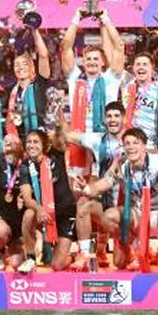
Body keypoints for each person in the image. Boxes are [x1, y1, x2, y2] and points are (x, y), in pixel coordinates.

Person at [83, 127, 158, 272]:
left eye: (135, 143)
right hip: (138, 215)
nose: (131, 147)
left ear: (144, 146)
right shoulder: (122, 167)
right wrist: (86, 189)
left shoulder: (157, 162)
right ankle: (135, 251)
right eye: (127, 143)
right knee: (109, 217)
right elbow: (104, 184)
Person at [63, 101, 127, 271]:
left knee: (121, 263)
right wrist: (57, 116)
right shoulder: (98, 139)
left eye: (116, 116)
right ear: (105, 119)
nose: (112, 120)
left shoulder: (133, 142)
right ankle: (85, 254)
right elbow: (67, 136)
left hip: (126, 208)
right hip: (105, 203)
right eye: (109, 116)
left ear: (124, 118)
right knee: (84, 204)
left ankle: (128, 246)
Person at [61, 9, 124, 178]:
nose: (92, 62)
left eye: (96, 59)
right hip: (78, 138)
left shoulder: (110, 78)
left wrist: (105, 18)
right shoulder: (75, 78)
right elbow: (65, 47)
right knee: (81, 191)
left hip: (105, 140)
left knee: (105, 187)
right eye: (88, 59)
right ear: (83, 61)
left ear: (103, 62)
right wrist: (76, 19)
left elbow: (119, 47)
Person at [18, 128, 76, 273]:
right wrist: (39, 208)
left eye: (36, 142)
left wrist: (56, 121)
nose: (32, 145)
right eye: (29, 142)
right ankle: (31, 258)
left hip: (64, 214)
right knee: (29, 214)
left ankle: (72, 256)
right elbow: (27, 198)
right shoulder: (25, 166)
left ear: (44, 145)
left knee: (57, 265)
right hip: (44, 213)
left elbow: (59, 135)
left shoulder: (55, 155)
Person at [0, 133, 26, 270]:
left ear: (21, 145)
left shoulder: (27, 163)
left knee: (16, 264)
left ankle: (26, 249)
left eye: (13, 139)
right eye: (5, 139)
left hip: (23, 221)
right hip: (3, 217)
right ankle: (0, 250)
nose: (8, 140)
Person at [121, 52, 158, 153]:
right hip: (129, 144)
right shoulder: (126, 89)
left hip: (151, 146)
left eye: (145, 64)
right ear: (133, 68)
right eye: (138, 64)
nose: (141, 67)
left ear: (152, 68)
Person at [6, 29, 53, 142]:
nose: (20, 67)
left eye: (24, 64)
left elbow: (43, 55)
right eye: (17, 64)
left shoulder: (40, 85)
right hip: (19, 142)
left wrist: (35, 30)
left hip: (42, 140)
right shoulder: (10, 92)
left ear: (32, 68)